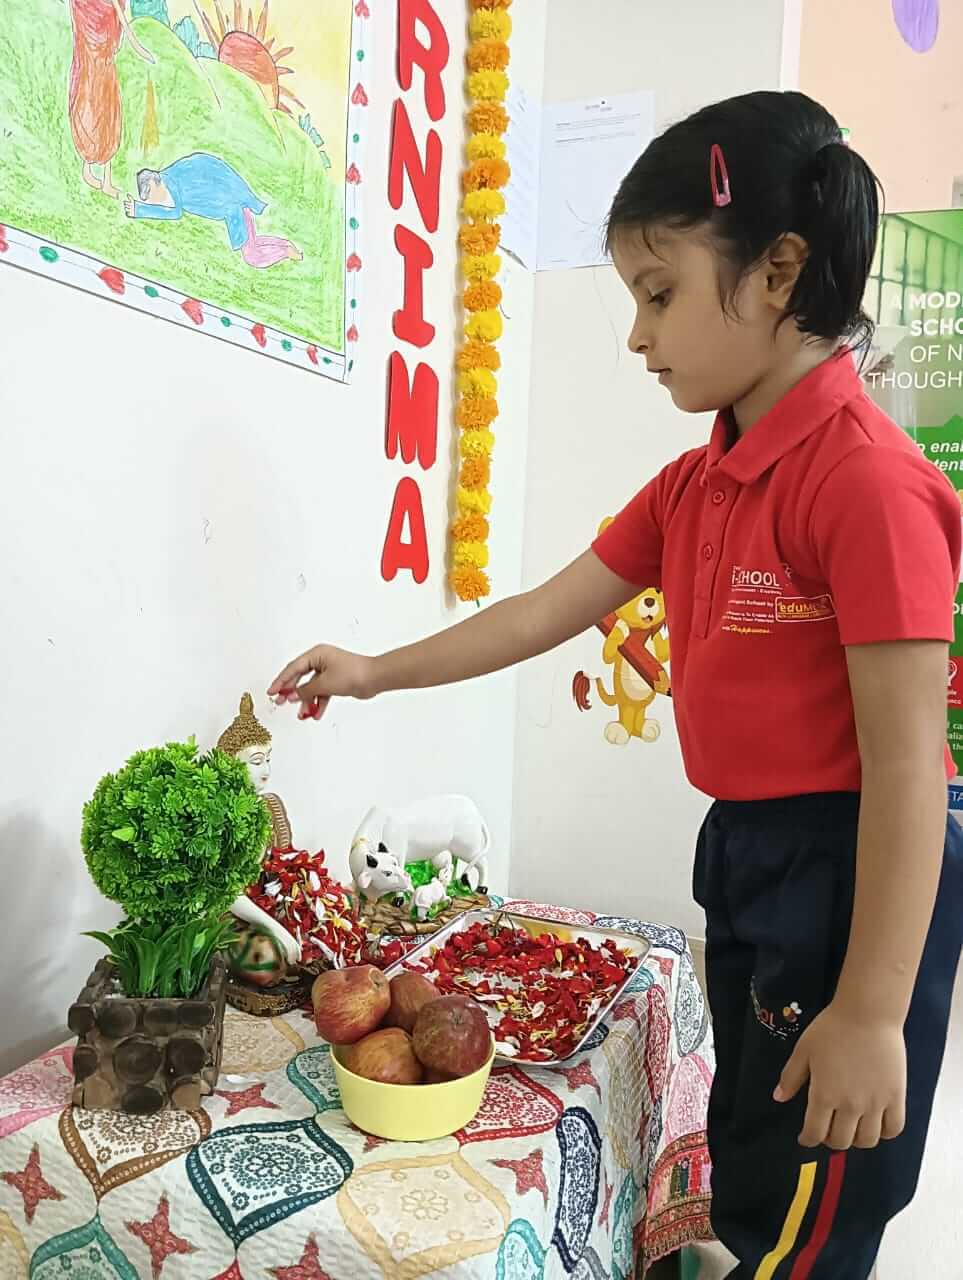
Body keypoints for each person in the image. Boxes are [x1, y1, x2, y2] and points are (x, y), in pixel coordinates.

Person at [268, 92, 963, 1278]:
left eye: (660, 293)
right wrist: (379, 669)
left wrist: (872, 1008)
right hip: (751, 850)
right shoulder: (699, 482)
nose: (640, 337)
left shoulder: (866, 482)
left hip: (856, 868)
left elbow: (909, 767)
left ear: (780, 271)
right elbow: (545, 608)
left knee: (811, 1209)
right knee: (750, 1160)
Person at [124, 153, 302, 267]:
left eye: (156, 197)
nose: (159, 202)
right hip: (233, 203)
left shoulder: (173, 183)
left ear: (157, 182)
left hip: (234, 207)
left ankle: (287, 251)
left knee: (252, 256)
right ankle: (287, 246)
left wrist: (140, 210)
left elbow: (175, 212)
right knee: (252, 241)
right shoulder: (170, 178)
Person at [68, 0, 154, 199]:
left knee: (102, 110)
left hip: (97, 59)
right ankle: (92, 173)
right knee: (97, 109)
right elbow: (124, 27)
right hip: (92, 58)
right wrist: (142, 51)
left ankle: (102, 176)